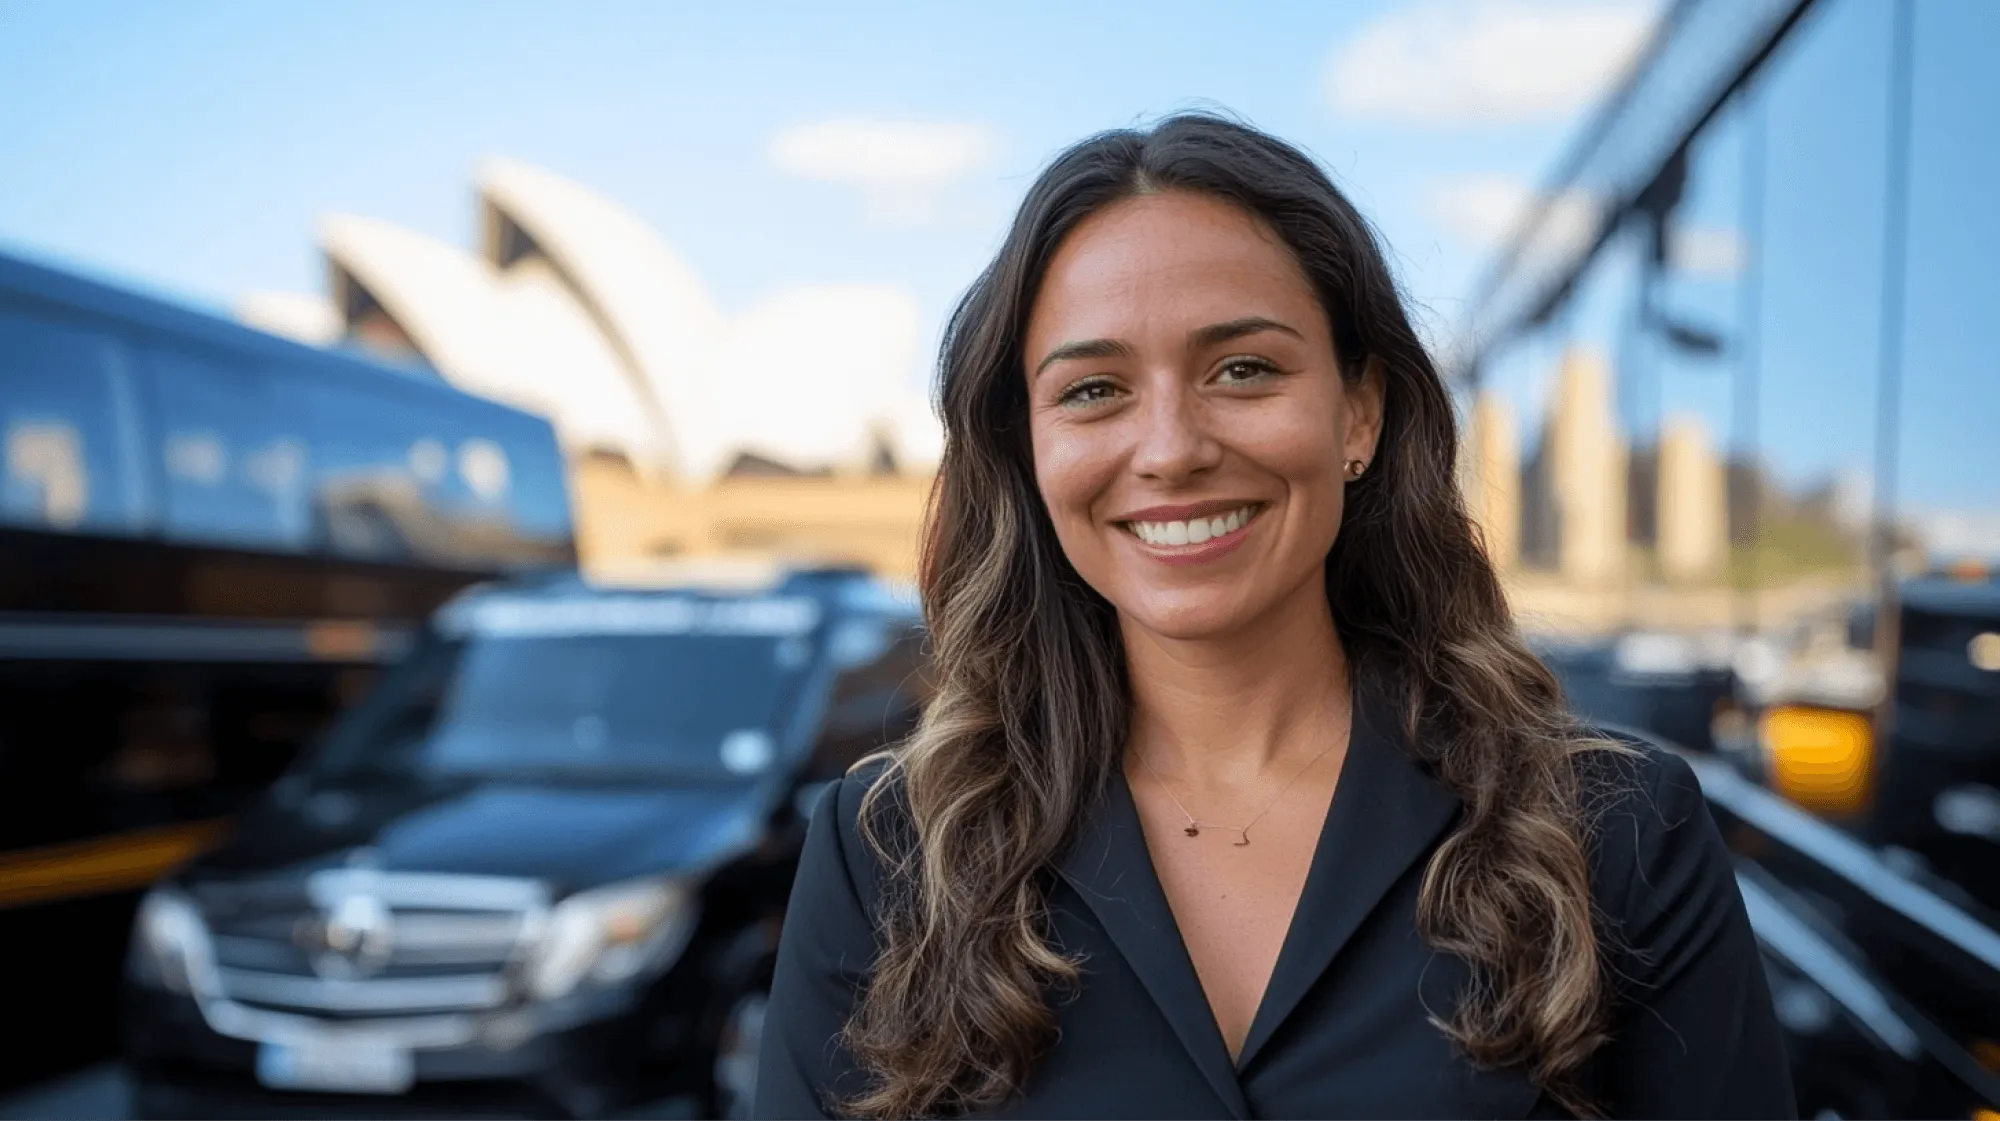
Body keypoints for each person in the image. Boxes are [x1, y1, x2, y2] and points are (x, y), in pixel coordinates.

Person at [753, 113, 1794, 1121]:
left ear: (1359, 411)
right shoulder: (886, 856)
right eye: (1094, 389)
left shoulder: (1614, 833)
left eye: (1241, 369)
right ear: (1026, 446)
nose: (1168, 447)